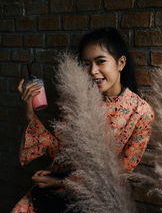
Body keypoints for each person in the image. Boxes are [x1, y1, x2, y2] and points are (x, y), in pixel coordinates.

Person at [11, 27, 154, 213]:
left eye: (100, 61)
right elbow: (60, 151)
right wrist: (30, 113)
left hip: (96, 199)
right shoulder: (80, 100)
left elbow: (120, 174)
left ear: (121, 63)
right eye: (86, 63)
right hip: (53, 192)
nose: (93, 71)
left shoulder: (141, 112)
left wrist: (60, 181)